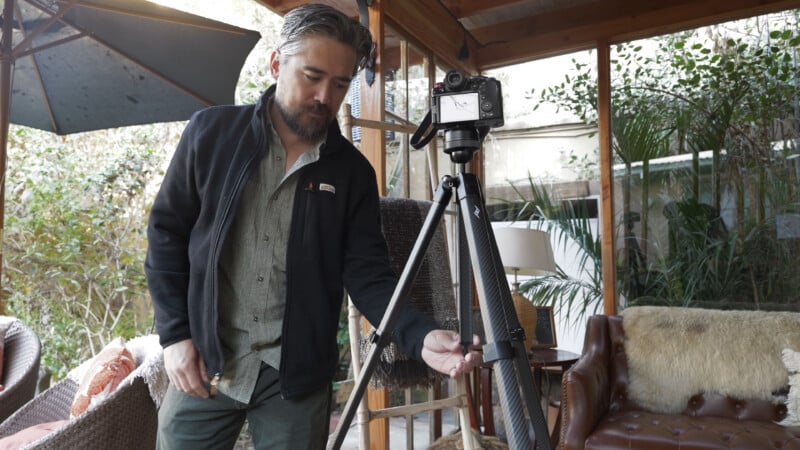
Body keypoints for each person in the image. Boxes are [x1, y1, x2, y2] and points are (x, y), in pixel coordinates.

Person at [145, 4, 481, 449]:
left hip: (296, 377)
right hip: (207, 360)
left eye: (340, 84)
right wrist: (175, 336)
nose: (325, 95)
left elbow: (369, 276)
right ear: (276, 64)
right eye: (312, 75)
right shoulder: (210, 134)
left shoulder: (353, 174)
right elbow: (167, 233)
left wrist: (419, 336)